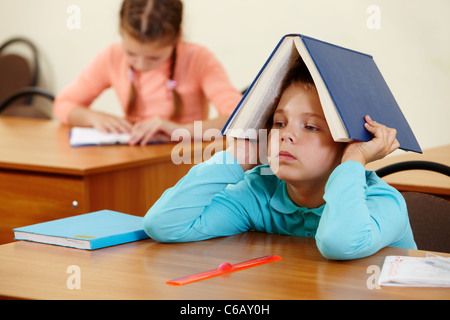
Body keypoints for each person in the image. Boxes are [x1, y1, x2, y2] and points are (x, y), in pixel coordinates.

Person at [143, 59, 417, 260]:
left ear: (348, 142)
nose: (286, 135)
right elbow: (164, 224)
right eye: (278, 123)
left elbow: (340, 243)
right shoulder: (258, 193)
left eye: (310, 127)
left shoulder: (383, 202)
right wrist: (239, 157)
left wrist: (355, 159)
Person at [53, 0, 242, 145]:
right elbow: (62, 104)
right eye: (131, 54)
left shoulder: (198, 58)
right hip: (133, 161)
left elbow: (239, 118)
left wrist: (179, 130)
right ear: (121, 34)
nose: (141, 64)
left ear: (177, 37)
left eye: (154, 58)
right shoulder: (112, 56)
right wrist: (94, 118)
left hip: (184, 161)